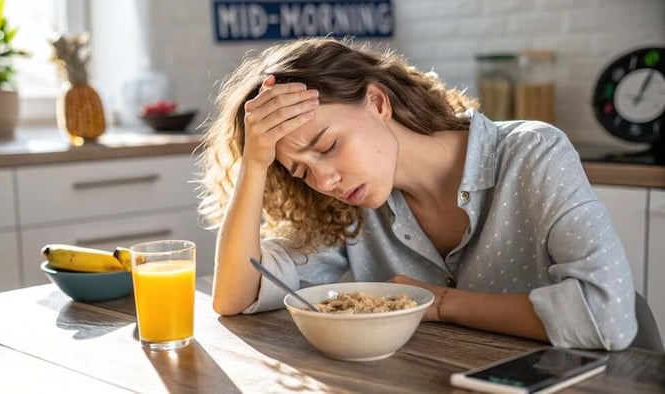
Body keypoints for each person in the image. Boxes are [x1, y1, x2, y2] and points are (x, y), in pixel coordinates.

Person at [197, 37, 637, 350]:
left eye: (328, 145)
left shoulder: (532, 154)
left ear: (377, 101)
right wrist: (255, 164)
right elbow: (235, 297)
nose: (325, 180)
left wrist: (439, 303)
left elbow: (606, 318)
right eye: (301, 171)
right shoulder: (344, 208)